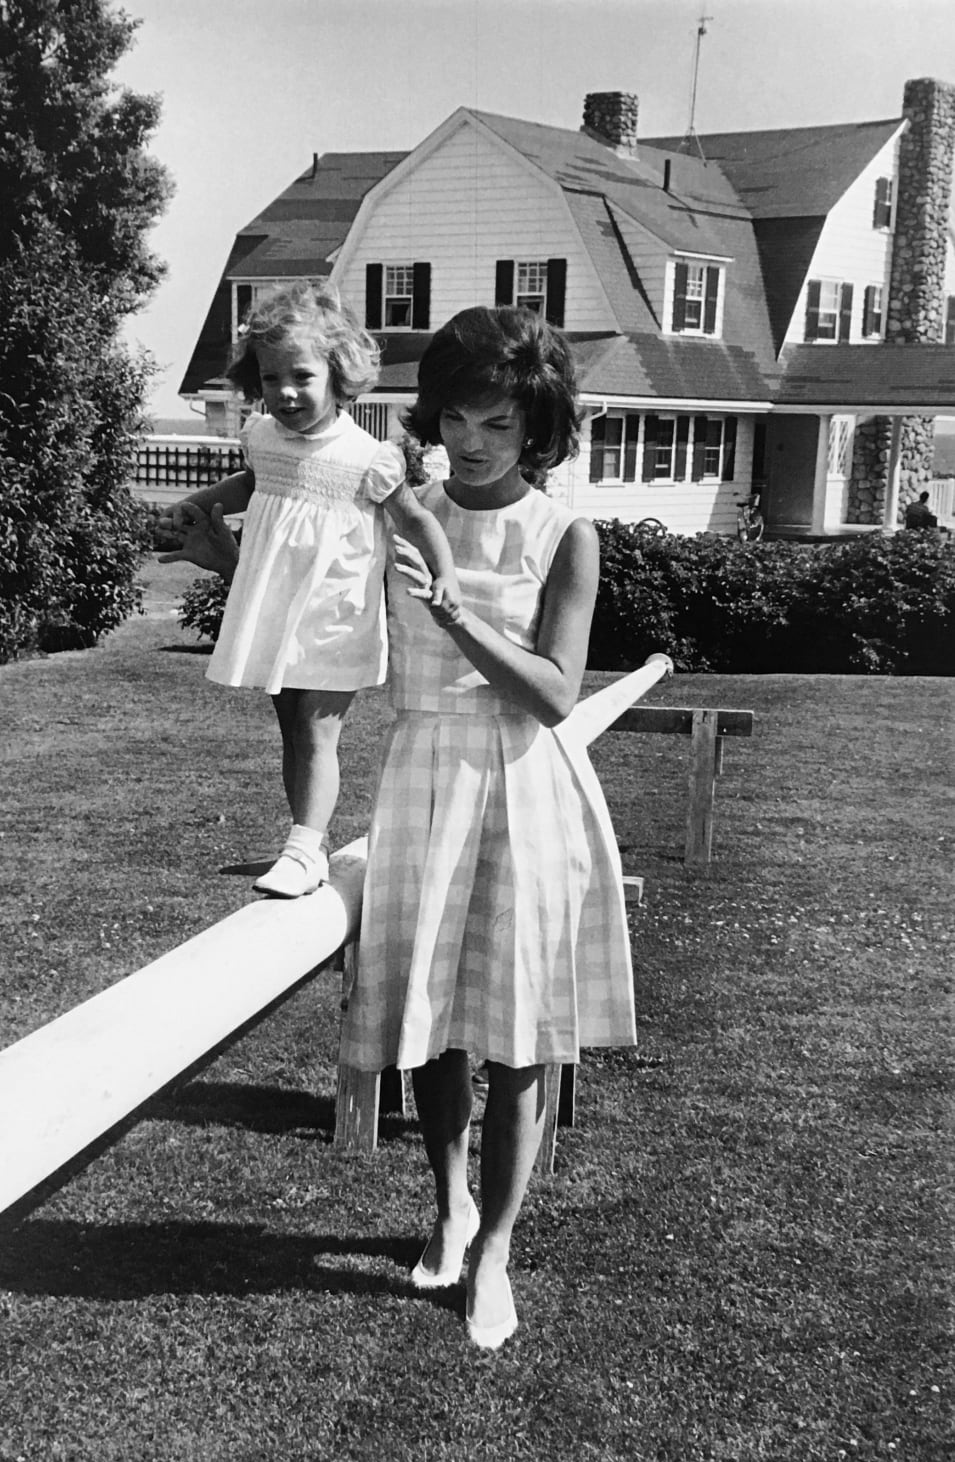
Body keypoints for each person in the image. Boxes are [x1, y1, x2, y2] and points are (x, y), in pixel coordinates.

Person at [339, 306, 637, 1350]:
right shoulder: (401, 507)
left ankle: (498, 1243)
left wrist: (461, 614)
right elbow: (320, 591)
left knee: (514, 1044)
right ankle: (450, 1203)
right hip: (422, 775)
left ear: (540, 430)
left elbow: (556, 693)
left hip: (520, 784)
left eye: (499, 425)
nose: (471, 441)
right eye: (457, 416)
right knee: (429, 1024)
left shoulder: (566, 533)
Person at [158, 280, 459, 897]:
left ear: (339, 373)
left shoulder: (367, 457)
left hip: (335, 613)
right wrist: (197, 502)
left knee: (319, 728)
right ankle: (307, 845)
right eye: (271, 378)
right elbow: (251, 484)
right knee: (293, 726)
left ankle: (301, 850)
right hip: (276, 611)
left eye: (301, 375)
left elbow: (417, 518)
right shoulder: (264, 438)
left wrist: (445, 574)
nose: (285, 392)